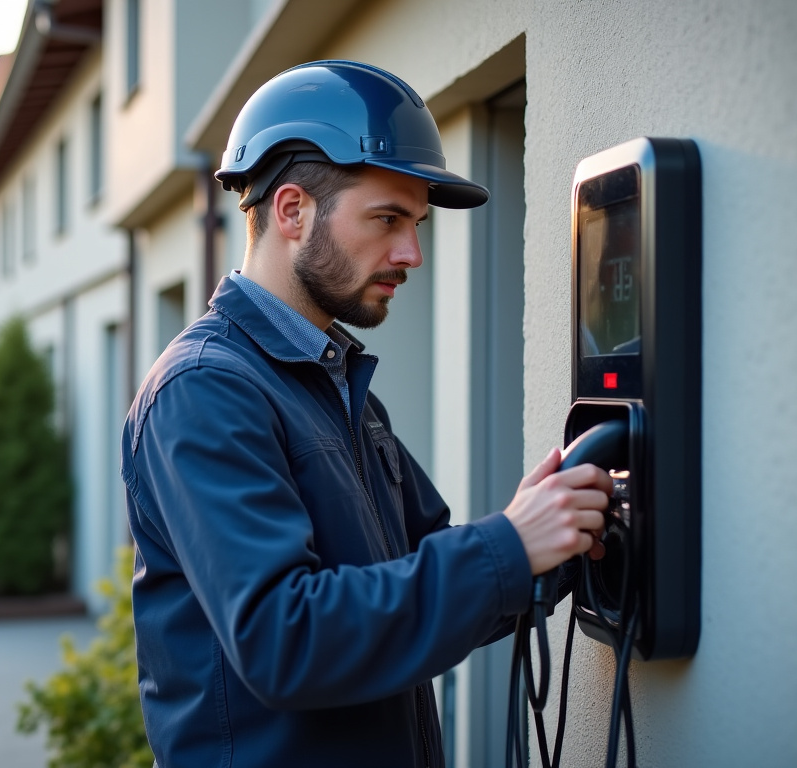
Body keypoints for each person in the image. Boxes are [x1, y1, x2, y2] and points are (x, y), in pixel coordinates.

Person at [119, 61, 613, 767]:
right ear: (292, 211)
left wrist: (557, 539)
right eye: (387, 220)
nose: (411, 252)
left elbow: (422, 578)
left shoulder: (335, 383)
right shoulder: (204, 391)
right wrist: (509, 545)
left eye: (414, 224)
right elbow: (284, 639)